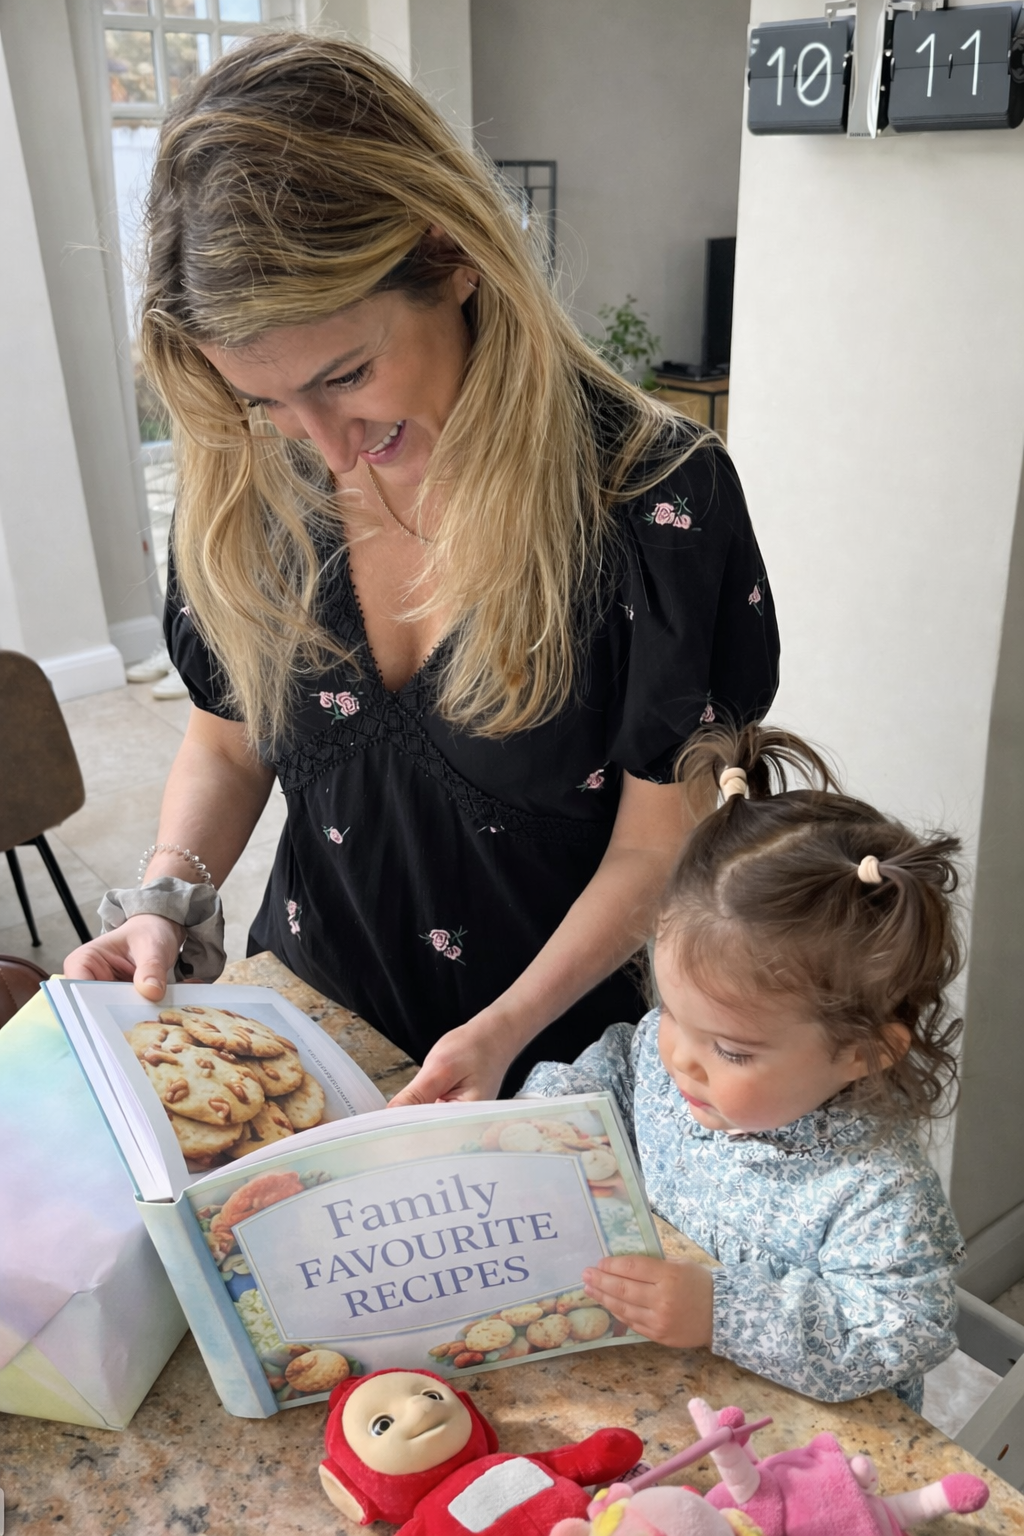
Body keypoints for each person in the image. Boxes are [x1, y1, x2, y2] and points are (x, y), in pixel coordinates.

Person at [64, 35, 778, 1100]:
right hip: (306, 1021)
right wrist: (171, 895)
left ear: (449, 255)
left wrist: (497, 1037)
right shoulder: (252, 481)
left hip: (563, 1065)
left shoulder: (658, 503)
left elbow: (657, 847)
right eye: (267, 403)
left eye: (346, 374)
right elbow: (228, 735)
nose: (326, 447)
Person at [520, 723, 966, 1409]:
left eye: (730, 1050)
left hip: (796, 1443)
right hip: (659, 1386)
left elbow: (903, 1327)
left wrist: (721, 1311)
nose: (678, 1058)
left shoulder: (877, 1192)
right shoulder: (675, 1055)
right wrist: (540, 1121)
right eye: (669, 1009)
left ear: (866, 1051)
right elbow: (615, 1068)